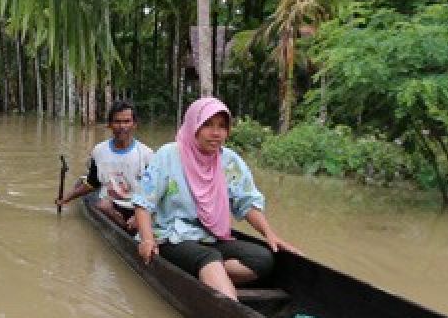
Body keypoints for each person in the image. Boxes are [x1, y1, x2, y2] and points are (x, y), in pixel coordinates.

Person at [132, 97, 300, 301]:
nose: (216, 133)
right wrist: (147, 240)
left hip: (209, 236)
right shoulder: (169, 155)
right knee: (207, 258)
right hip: (169, 235)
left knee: (262, 259)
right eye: (208, 125)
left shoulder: (229, 161)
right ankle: (232, 311)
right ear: (194, 125)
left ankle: (207, 275)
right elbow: (143, 202)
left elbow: (246, 202)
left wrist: (270, 234)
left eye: (222, 126)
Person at [55, 100, 154, 230]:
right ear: (109, 125)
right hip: (111, 206)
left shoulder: (147, 154)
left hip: (137, 206)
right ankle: (125, 227)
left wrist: (141, 215)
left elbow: (155, 191)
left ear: (134, 124)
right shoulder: (99, 151)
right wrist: (67, 198)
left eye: (126, 121)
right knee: (103, 205)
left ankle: (133, 226)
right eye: (117, 122)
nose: (122, 126)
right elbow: (92, 183)